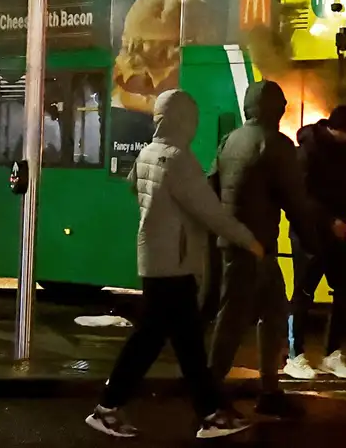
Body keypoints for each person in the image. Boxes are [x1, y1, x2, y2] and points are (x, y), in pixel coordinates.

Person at [86, 90, 262, 440]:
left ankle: (207, 412)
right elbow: (211, 212)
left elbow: (133, 187)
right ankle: (111, 408)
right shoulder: (178, 159)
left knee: (174, 342)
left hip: (155, 258)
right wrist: (249, 240)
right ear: (184, 120)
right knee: (168, 343)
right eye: (192, 119)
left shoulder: (149, 152)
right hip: (174, 264)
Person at [208, 80, 327, 419]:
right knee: (235, 318)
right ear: (275, 110)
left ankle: (269, 390)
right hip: (255, 245)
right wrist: (312, 241)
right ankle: (213, 391)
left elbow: (212, 184)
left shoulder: (230, 140)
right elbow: (295, 200)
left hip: (237, 242)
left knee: (272, 313)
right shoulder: (276, 144)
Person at [284, 105, 346, 380]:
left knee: (345, 289)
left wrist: (340, 219)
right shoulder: (309, 150)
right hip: (309, 233)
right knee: (303, 294)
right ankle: (295, 357)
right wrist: (331, 220)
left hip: (335, 233)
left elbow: (340, 191)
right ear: (336, 129)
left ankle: (333, 354)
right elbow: (302, 196)